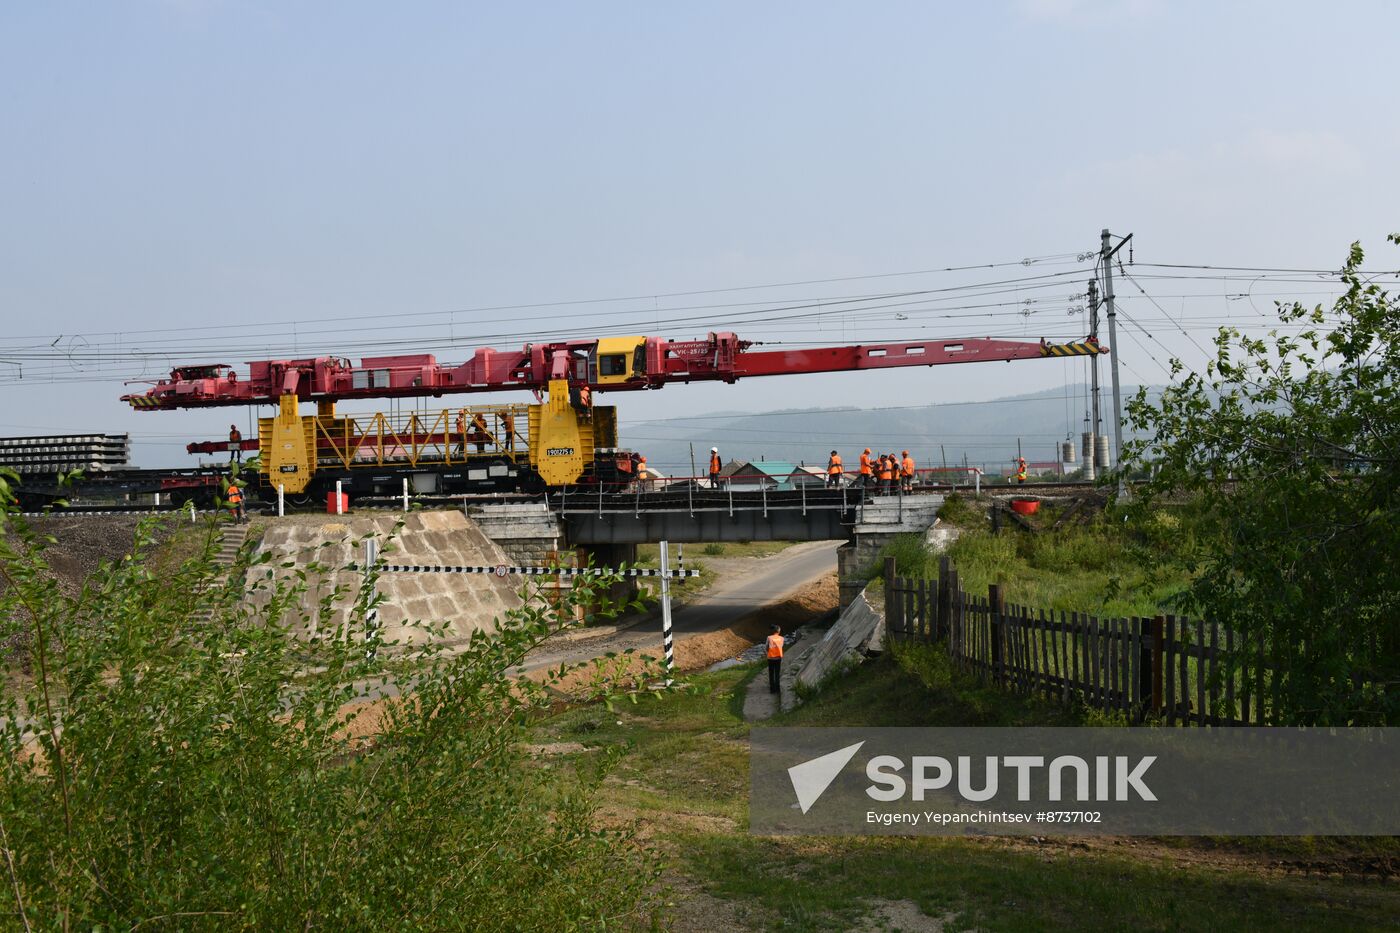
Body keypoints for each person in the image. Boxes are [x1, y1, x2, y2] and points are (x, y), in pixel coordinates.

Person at [766, 624, 784, 694]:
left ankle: (772, 690)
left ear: (772, 631)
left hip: (771, 657)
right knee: (777, 673)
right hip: (778, 657)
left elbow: (766, 647)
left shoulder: (769, 638)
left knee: (771, 673)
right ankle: (778, 689)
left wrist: (768, 653)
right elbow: (781, 646)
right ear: (779, 631)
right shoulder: (782, 638)